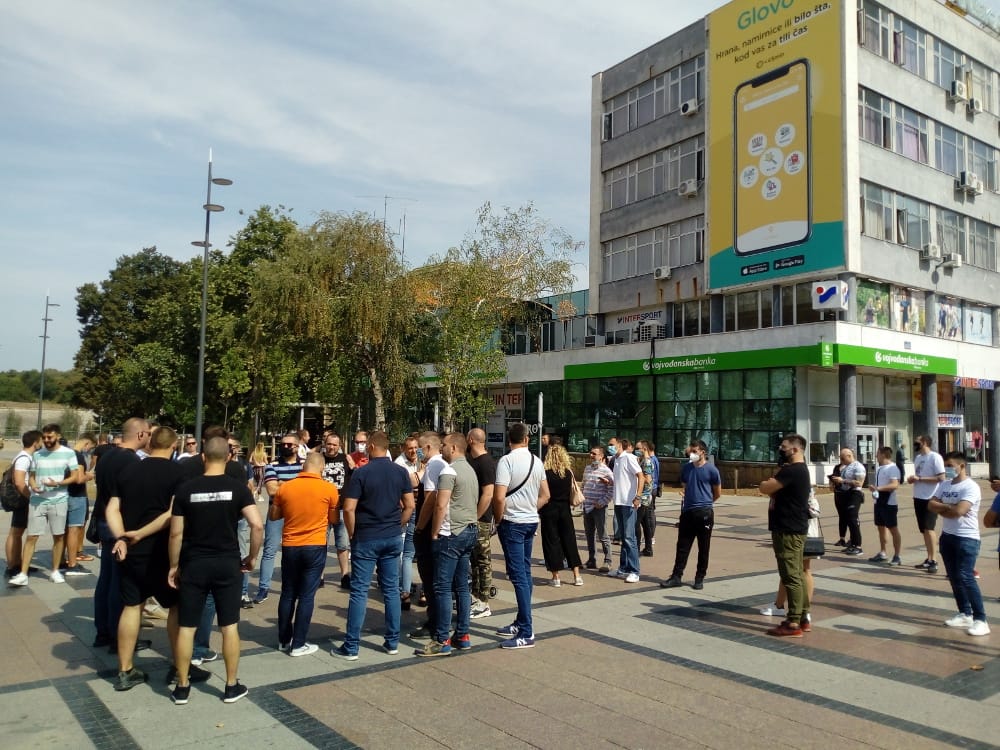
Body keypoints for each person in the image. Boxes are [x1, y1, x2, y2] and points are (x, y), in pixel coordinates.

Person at [168, 437, 263, 705]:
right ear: (229, 457)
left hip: (194, 563)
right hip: (227, 563)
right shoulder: (238, 488)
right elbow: (257, 525)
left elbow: (176, 533)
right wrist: (251, 557)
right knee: (229, 626)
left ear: (203, 457)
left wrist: (173, 565)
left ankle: (182, 686)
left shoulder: (186, 489)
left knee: (187, 626)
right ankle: (231, 685)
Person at [105, 426, 199, 691]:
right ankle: (179, 666)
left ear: (150, 443)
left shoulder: (128, 470)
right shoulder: (179, 473)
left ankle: (125, 670)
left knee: (131, 606)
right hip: (163, 550)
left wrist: (122, 537)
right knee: (175, 607)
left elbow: (112, 508)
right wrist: (139, 534)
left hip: (131, 552)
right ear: (174, 446)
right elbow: (171, 514)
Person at [331, 431, 414, 661]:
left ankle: (351, 646)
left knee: (359, 591)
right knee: (391, 590)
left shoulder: (361, 473)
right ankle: (392, 641)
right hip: (392, 536)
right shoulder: (400, 472)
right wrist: (398, 524)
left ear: (370, 446)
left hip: (366, 536)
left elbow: (349, 508)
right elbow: (409, 505)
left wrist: (352, 533)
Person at [270, 452, 340, 656]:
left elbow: (274, 516)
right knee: (307, 596)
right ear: (322, 468)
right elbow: (334, 519)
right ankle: (299, 643)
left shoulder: (286, 487)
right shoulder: (329, 488)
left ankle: (284, 639)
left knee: (288, 593)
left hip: (291, 545)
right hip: (315, 545)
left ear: (303, 466)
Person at [415, 433, 479, 656]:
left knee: (442, 587)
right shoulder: (470, 470)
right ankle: (463, 634)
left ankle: (442, 639)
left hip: (450, 534)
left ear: (453, 448)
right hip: (469, 530)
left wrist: (434, 532)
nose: (441, 448)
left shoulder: (448, 471)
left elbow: (440, 505)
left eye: (443, 445)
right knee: (461, 586)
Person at [92, 418, 151, 652]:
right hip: (120, 527)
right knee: (119, 582)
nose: (150, 437)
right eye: (148, 433)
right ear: (140, 435)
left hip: (104, 523)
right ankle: (119, 638)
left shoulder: (107, 456)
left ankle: (103, 632)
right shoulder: (131, 461)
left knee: (106, 580)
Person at [492, 423, 549, 649]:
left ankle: (526, 630)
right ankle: (521, 621)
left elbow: (499, 497)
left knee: (518, 576)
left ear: (509, 440)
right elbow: (546, 495)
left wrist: (499, 518)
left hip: (512, 523)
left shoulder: (506, 461)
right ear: (526, 439)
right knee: (524, 572)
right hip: (530, 522)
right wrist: (530, 508)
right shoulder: (537, 461)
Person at [13, 424, 83, 586]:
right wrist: (33, 486)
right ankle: (23, 573)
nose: (46, 440)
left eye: (49, 437)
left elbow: (75, 476)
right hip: (37, 501)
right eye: (44, 437)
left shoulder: (68, 453)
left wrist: (58, 483)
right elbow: (32, 476)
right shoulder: (37, 454)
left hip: (59, 500)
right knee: (31, 536)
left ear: (58, 436)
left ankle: (55, 570)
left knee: (58, 536)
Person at [928, 452, 988, 636]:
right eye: (945, 465)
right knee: (954, 577)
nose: (947, 468)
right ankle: (965, 613)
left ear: (961, 466)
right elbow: (931, 505)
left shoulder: (971, 487)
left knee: (966, 577)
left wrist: (944, 508)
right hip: (948, 536)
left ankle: (981, 620)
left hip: (966, 538)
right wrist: (948, 507)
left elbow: (959, 512)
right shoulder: (945, 485)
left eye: (950, 465)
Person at [758, 434, 811, 637]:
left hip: (788, 529)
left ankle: (793, 622)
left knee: (791, 575)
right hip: (793, 527)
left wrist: (767, 483)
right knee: (797, 573)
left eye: (784, 446)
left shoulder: (792, 471)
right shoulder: (798, 470)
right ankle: (803, 617)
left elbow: (765, 488)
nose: (781, 449)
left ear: (795, 449)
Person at [661, 439, 721, 590]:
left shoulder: (712, 470)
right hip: (687, 512)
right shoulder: (686, 468)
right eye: (691, 451)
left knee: (704, 547)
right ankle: (676, 576)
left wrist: (706, 503)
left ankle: (699, 577)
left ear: (702, 452)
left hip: (704, 513)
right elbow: (685, 485)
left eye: (695, 451)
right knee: (682, 546)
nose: (692, 454)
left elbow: (717, 492)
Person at [254, 432, 303, 603]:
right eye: (283, 444)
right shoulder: (272, 465)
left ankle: (294, 586)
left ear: (297, 447)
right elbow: (272, 491)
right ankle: (263, 588)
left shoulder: (304, 465)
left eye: (289, 445)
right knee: (269, 550)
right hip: (276, 513)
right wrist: (295, 485)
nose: (285, 447)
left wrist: (282, 484)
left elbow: (306, 488)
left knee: (295, 551)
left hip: (297, 514)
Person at [410, 431, 447, 639]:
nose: (417, 452)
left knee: (430, 577)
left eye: (419, 448)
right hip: (438, 528)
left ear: (428, 448)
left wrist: (420, 527)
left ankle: (434, 622)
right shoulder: (442, 464)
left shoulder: (434, 465)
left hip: (429, 529)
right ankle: (439, 620)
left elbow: (431, 498)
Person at [539, 443, 583, 587]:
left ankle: (556, 576)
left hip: (549, 510)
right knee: (569, 541)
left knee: (551, 541)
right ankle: (577, 575)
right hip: (565, 510)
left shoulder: (545, 474)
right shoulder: (568, 473)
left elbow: (542, 493)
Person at [467, 428, 496, 618]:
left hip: (481, 520)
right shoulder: (473, 460)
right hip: (473, 518)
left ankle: (484, 602)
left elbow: (488, 494)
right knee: (475, 561)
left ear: (471, 440)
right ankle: (476, 596)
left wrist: (476, 517)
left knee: (483, 560)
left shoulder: (485, 462)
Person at [5, 430, 42, 580]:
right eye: (40, 441)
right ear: (35, 443)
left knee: (18, 532)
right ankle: (12, 566)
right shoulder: (24, 458)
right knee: (15, 533)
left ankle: (18, 563)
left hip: (23, 498)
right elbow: (20, 482)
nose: (42, 443)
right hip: (22, 499)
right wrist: (30, 497)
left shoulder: (26, 457)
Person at [320, 431, 355, 589]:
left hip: (341, 508)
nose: (331, 447)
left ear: (339, 445)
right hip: (323, 509)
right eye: (329, 444)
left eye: (334, 444)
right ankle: (319, 577)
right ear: (325, 444)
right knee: (321, 544)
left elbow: (355, 479)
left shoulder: (346, 459)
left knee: (343, 545)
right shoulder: (319, 460)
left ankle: (345, 575)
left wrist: (353, 468)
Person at [609, 437, 643, 583]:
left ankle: (634, 570)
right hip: (618, 501)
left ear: (620, 445)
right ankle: (623, 568)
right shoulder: (615, 460)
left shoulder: (629, 458)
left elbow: (641, 476)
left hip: (628, 503)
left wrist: (638, 496)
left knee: (630, 538)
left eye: (612, 445)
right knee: (623, 537)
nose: (610, 447)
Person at [908, 435, 945, 573]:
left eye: (917, 441)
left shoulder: (935, 457)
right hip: (918, 497)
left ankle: (934, 560)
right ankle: (929, 558)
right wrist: (914, 479)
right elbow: (919, 476)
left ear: (924, 442)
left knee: (929, 528)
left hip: (931, 498)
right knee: (924, 529)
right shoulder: (918, 458)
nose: (915, 444)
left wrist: (920, 478)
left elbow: (941, 477)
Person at [394, 436, 421, 611]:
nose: (413, 451)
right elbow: (406, 484)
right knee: (403, 552)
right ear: (404, 449)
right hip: (405, 510)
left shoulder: (421, 461)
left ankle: (405, 589)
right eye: (410, 448)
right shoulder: (399, 463)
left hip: (419, 510)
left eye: (416, 447)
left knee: (410, 554)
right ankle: (403, 590)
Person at [63, 433, 97, 573]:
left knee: (64, 531)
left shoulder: (66, 453)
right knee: (74, 530)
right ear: (87, 444)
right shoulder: (78, 456)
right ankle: (72, 563)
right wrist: (89, 476)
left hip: (65, 494)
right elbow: (78, 478)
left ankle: (60, 560)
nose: (89, 450)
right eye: (90, 448)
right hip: (77, 496)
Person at [581, 446, 614, 574]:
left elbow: (611, 490)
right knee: (589, 534)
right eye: (590, 453)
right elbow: (584, 484)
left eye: (594, 454)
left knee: (602, 534)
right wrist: (581, 498)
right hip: (587, 506)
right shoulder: (587, 468)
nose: (591, 456)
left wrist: (602, 502)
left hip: (599, 508)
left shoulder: (606, 471)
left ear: (601, 456)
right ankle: (591, 559)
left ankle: (608, 560)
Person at [868, 446, 902, 565]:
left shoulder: (893, 468)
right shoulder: (879, 468)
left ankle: (897, 556)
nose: (876, 456)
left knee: (893, 528)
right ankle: (883, 552)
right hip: (879, 502)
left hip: (889, 503)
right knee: (881, 528)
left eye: (877, 454)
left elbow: (894, 485)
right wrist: (875, 491)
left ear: (883, 454)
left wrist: (878, 488)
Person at [830, 448, 865, 555]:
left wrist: (843, 480)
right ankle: (852, 544)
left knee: (853, 519)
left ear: (849, 456)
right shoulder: (846, 467)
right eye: (840, 458)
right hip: (846, 494)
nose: (841, 460)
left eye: (843, 458)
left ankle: (858, 546)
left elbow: (860, 483)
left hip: (855, 494)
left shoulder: (858, 466)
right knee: (848, 519)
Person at [634, 440, 656, 556]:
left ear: (645, 449)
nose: (636, 451)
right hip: (645, 496)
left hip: (643, 497)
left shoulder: (646, 462)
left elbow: (648, 480)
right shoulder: (642, 460)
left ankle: (636, 548)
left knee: (636, 523)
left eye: (638, 448)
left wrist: (638, 476)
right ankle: (648, 548)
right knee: (645, 523)